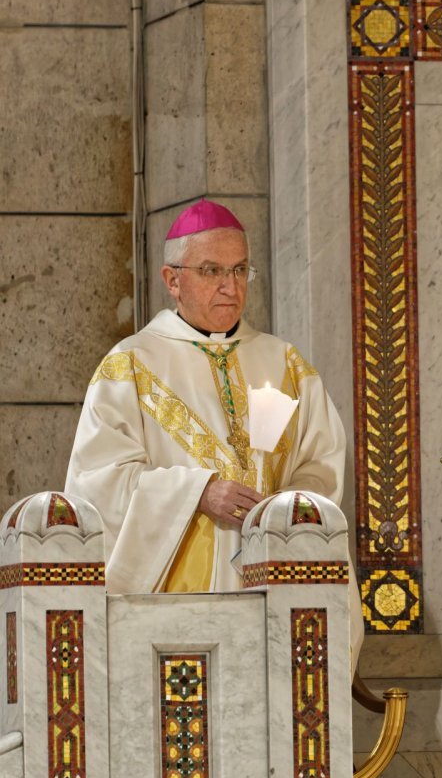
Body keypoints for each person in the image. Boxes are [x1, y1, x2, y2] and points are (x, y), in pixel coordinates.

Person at [67, 198, 363, 656]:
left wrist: (282, 509)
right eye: (211, 271)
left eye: (241, 270)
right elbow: (96, 483)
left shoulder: (285, 363)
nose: (230, 286)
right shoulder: (129, 365)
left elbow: (319, 467)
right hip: (172, 594)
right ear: (172, 280)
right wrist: (198, 493)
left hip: (276, 591)